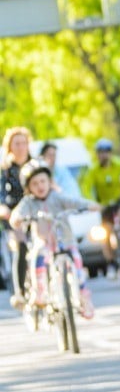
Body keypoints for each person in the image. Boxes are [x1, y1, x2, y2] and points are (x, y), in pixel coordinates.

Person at [10, 159, 99, 318]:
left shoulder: (57, 197)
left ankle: (84, 295)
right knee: (37, 260)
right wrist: (17, 218)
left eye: (43, 181)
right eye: (35, 183)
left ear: (50, 181)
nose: (40, 186)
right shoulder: (29, 202)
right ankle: (40, 292)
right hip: (43, 243)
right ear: (29, 188)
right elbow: (18, 213)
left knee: (77, 262)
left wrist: (90, 205)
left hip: (66, 241)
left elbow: (75, 202)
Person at [0, 126, 33, 307]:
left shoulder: (36, 165)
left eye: (24, 143)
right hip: (14, 216)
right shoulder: (4, 170)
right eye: (17, 143)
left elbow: (50, 186)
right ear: (10, 147)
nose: (21, 147)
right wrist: (4, 209)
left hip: (36, 213)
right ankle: (19, 291)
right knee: (21, 246)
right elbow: (1, 196)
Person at [82, 138, 120, 207]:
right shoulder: (93, 170)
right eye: (101, 152)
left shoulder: (119, 165)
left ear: (110, 153)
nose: (104, 155)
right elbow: (86, 187)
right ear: (97, 154)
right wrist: (92, 202)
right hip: (103, 204)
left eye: (106, 152)